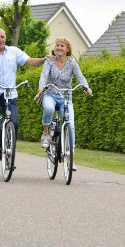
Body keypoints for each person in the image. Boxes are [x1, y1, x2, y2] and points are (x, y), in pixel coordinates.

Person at [0, 28, 50, 142]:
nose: (0, 39)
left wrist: (44, 60)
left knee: (14, 122)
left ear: (5, 38)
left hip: (9, 92)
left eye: (2, 37)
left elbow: (30, 61)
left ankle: (8, 149)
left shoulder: (14, 51)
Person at [36, 37, 92, 171]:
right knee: (48, 108)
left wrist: (86, 87)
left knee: (70, 124)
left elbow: (80, 77)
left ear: (67, 49)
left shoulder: (73, 64)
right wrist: (41, 87)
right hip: (50, 93)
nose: (59, 48)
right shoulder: (49, 61)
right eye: (57, 45)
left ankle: (70, 156)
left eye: (62, 46)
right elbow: (43, 76)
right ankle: (46, 134)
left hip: (66, 97)